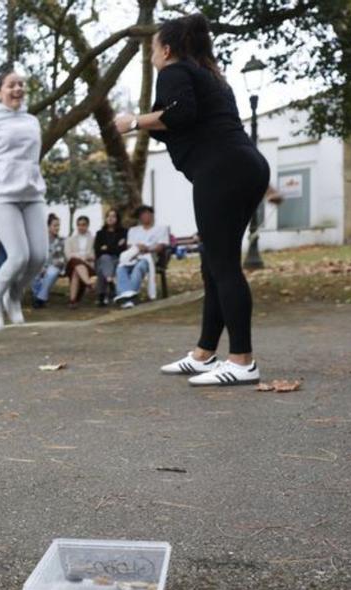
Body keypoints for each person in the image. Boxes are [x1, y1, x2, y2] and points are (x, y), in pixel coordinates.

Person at [116, 13, 270, 386]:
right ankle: (204, 353)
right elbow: (183, 120)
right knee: (214, 265)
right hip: (247, 166)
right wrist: (151, 121)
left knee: (223, 265)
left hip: (223, 171)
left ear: (165, 49)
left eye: (152, 49)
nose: (151, 56)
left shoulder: (174, 71)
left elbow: (180, 115)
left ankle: (242, 360)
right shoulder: (211, 76)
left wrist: (134, 121)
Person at [0, 67, 49, 331]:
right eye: (11, 85)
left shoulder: (31, 121)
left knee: (38, 257)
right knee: (18, 256)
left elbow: (32, 160)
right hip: (1, 196)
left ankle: (13, 296)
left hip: (32, 194)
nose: (17, 89)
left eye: (20, 85)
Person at [113, 205, 169, 308]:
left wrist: (147, 249)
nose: (145, 216)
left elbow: (161, 246)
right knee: (121, 268)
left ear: (152, 215)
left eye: (147, 213)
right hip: (133, 256)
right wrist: (138, 247)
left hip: (150, 257)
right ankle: (128, 297)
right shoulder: (133, 230)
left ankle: (126, 297)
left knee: (139, 267)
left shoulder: (161, 229)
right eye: (142, 214)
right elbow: (130, 246)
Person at [31, 213, 66, 308]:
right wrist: (43, 267)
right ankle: (38, 297)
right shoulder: (40, 240)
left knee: (52, 272)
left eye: (58, 225)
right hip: (41, 265)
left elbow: (62, 259)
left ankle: (40, 298)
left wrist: (48, 267)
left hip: (55, 266)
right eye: (55, 225)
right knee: (34, 272)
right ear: (48, 226)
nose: (57, 228)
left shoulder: (62, 240)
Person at [93, 209, 127, 306]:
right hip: (102, 260)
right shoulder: (100, 233)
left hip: (118, 260)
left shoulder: (123, 232)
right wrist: (116, 246)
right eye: (108, 216)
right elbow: (98, 251)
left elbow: (122, 250)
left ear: (117, 218)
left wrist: (106, 247)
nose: (110, 218)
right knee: (104, 258)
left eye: (113, 216)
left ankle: (101, 297)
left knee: (102, 269)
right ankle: (111, 281)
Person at [63, 214, 97, 307]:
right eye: (79, 225)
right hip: (72, 264)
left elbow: (94, 256)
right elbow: (68, 255)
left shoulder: (93, 239)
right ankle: (88, 282)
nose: (81, 227)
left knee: (76, 272)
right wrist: (81, 256)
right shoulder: (69, 240)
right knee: (75, 262)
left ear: (87, 225)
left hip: (88, 265)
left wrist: (83, 257)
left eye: (83, 225)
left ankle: (73, 300)